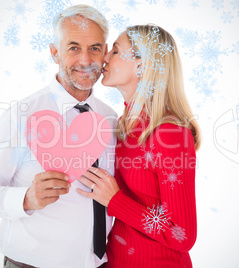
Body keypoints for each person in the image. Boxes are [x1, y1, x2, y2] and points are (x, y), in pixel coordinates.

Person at [0, 4, 117, 268]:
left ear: (105, 51)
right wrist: (26, 198)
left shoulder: (111, 118)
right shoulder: (22, 115)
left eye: (94, 48)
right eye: (73, 47)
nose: (85, 60)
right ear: (54, 51)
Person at [77, 25, 201, 267]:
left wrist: (116, 201)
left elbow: (182, 234)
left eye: (115, 51)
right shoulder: (122, 126)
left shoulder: (170, 133)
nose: (104, 58)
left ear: (143, 65)